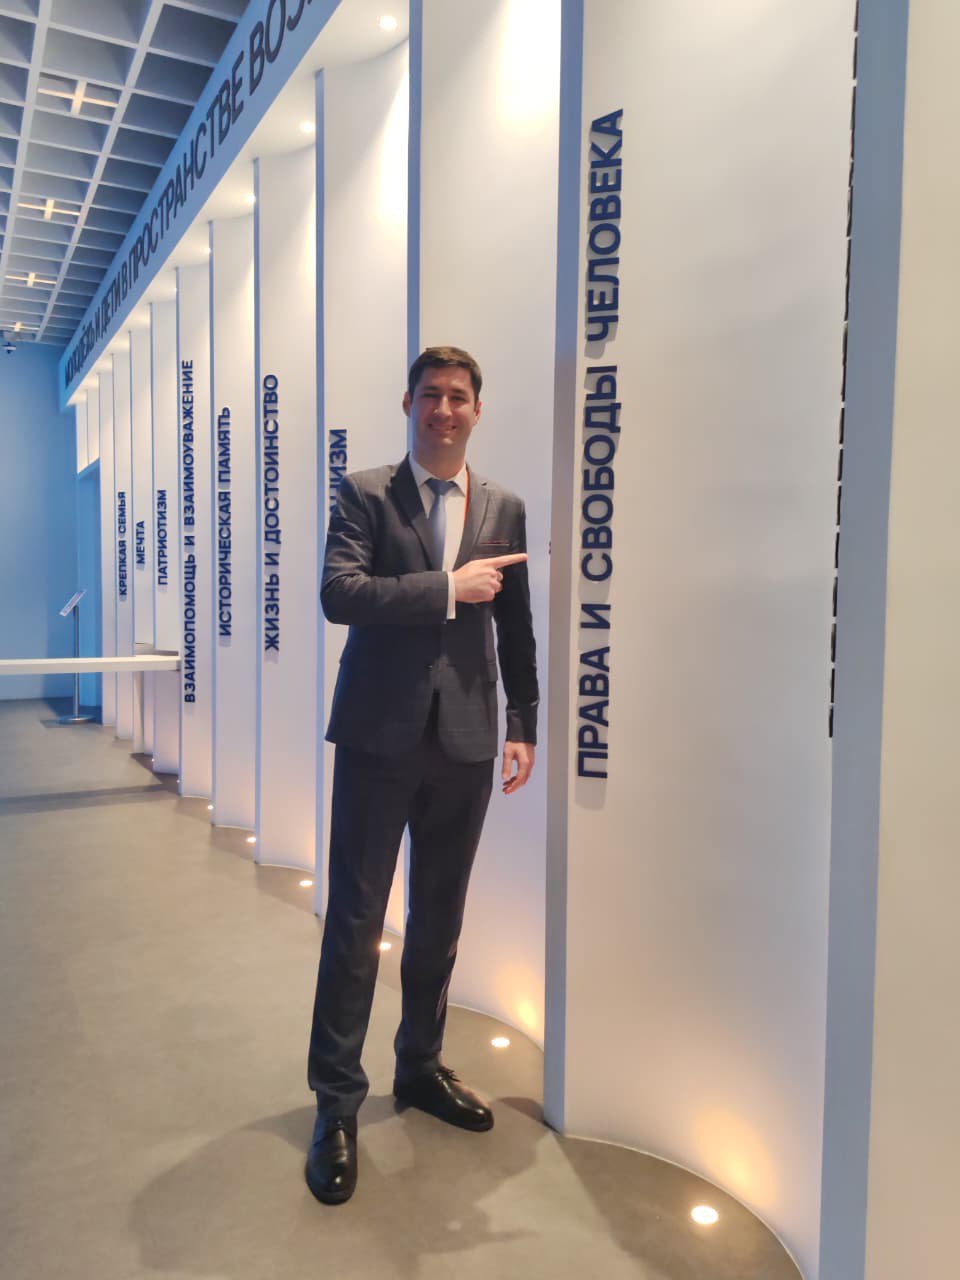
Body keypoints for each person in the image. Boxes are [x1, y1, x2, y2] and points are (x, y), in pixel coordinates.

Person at [305, 345, 538, 1204]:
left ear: (478, 409)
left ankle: (420, 1067)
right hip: (378, 738)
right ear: (408, 403)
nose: (444, 409)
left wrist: (523, 722)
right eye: (431, 394)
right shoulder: (366, 492)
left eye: (459, 396)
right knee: (356, 923)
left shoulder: (504, 506)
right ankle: (336, 1104)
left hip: (466, 741)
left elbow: (515, 626)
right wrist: (445, 586)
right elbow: (340, 594)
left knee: (439, 921)